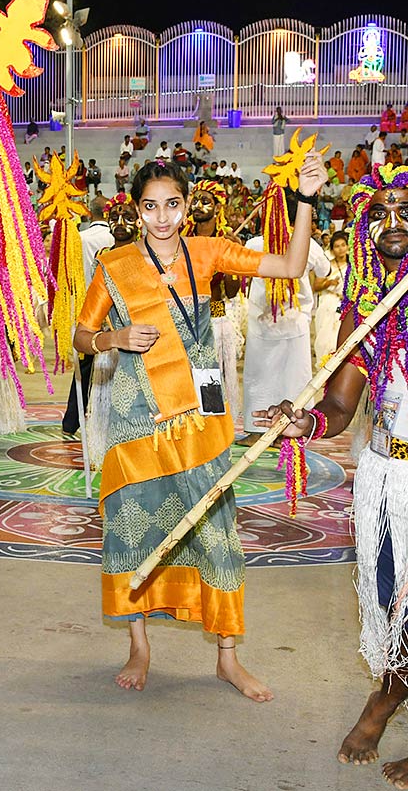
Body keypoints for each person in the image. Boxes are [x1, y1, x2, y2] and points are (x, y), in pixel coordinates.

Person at [72, 154, 324, 701]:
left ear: (186, 207)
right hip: (139, 414)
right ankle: (139, 647)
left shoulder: (206, 252)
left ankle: (228, 657)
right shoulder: (114, 265)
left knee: (216, 527)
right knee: (133, 525)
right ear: (136, 210)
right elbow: (80, 336)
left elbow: (290, 266)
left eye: (172, 205)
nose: (162, 217)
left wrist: (305, 199)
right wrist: (112, 340)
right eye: (150, 207)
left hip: (201, 410)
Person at [255, 166, 408, 785]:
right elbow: (341, 409)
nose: (394, 226)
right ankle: (387, 695)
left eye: (407, 212)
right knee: (395, 605)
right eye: (382, 214)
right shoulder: (365, 315)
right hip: (388, 481)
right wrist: (303, 425)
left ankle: (381, 706)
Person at [241, 194, 331, 435]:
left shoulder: (254, 245)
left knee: (258, 380)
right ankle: (293, 431)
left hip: (262, 324)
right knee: (295, 382)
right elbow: (326, 270)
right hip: (295, 324)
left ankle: (256, 431)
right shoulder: (309, 245)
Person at [84, 192, 139, 469]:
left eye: (128, 217)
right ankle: (106, 455)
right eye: (114, 217)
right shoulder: (101, 256)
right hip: (108, 340)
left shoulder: (145, 254)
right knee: (105, 405)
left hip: (137, 342)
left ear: (139, 221)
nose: (120, 223)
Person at [184, 179, 245, 416]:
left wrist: (228, 260)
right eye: (195, 201)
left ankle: (212, 433)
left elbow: (231, 292)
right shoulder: (182, 239)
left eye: (205, 201)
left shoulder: (227, 241)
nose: (198, 206)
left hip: (214, 322)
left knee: (211, 385)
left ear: (218, 207)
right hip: (185, 320)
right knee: (186, 387)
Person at [62, 195, 112, 434]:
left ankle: (72, 420)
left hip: (82, 305)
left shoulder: (79, 239)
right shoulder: (115, 238)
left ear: (90, 214)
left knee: (84, 366)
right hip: (110, 306)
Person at [311, 230, 347, 362]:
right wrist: (329, 282)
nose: (341, 249)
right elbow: (316, 286)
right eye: (337, 246)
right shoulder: (327, 266)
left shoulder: (354, 265)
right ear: (332, 249)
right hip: (329, 303)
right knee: (325, 340)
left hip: (346, 305)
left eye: (343, 245)